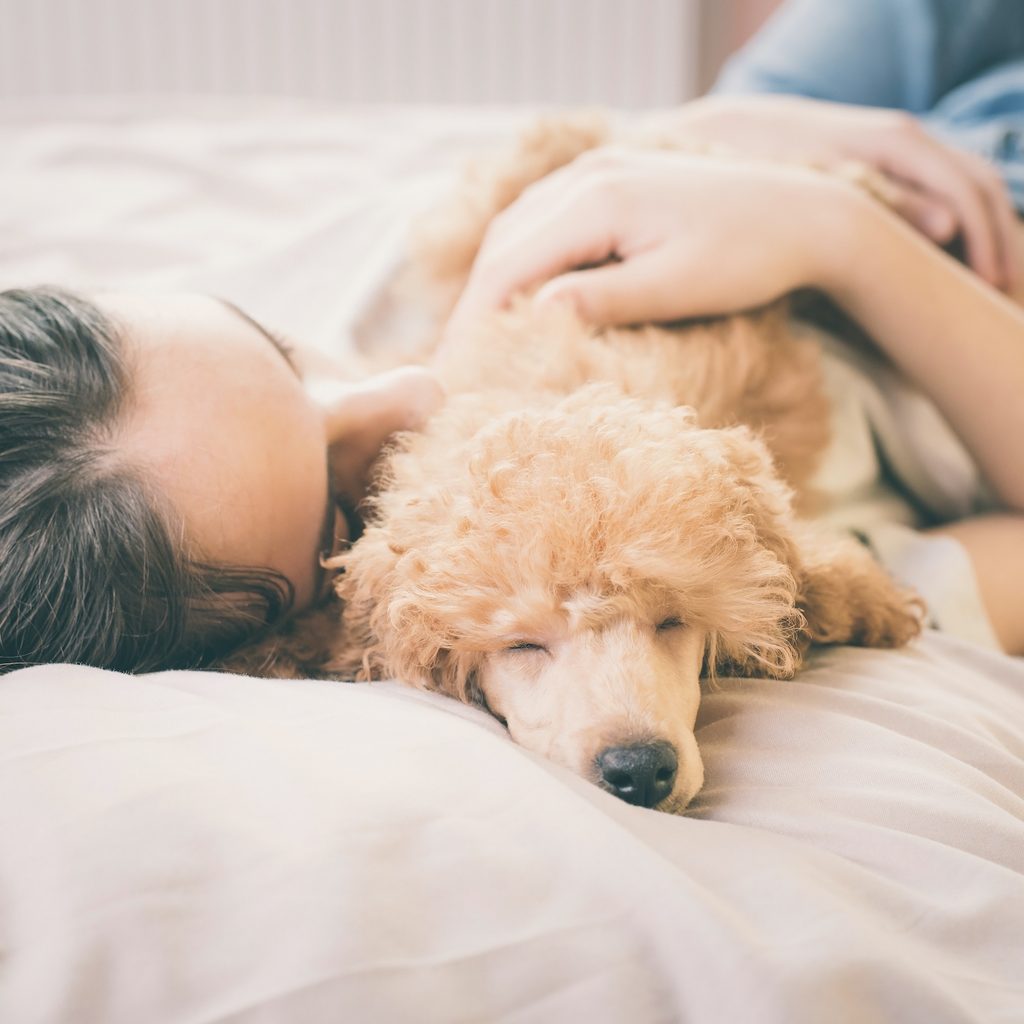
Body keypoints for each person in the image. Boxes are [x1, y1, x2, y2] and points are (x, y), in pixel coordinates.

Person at [2, 0, 1022, 671]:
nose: (411, 394)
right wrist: (843, 239)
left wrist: (714, 136)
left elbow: (568, 176)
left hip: (766, 140)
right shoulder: (635, 552)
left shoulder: (220, 390)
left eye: (284, 354)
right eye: (342, 516)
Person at [445, 0, 1024, 657]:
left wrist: (711, 128)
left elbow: (603, 190)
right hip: (856, 213)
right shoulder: (781, 567)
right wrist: (842, 233)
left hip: (762, 169)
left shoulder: (454, 427)